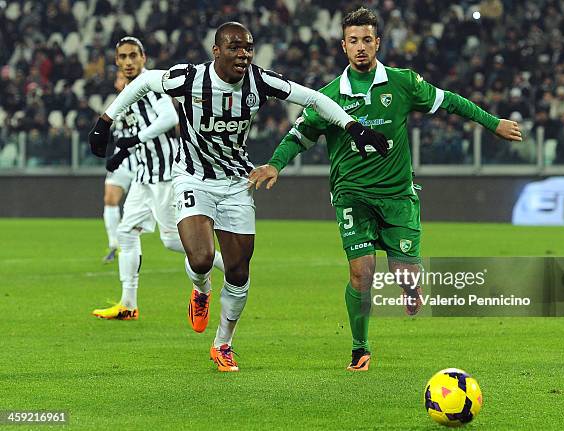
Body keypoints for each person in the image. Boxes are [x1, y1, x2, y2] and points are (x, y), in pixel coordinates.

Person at [88, 22, 388, 372]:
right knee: (201, 258)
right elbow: (142, 82)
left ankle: (223, 344)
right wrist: (105, 121)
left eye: (248, 47)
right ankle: (201, 289)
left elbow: (315, 98)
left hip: (236, 183)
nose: (243, 54)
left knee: (239, 271)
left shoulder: (260, 80)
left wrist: (354, 127)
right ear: (217, 51)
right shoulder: (188, 78)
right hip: (193, 178)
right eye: (234, 47)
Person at [249, 8, 522, 371]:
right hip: (352, 195)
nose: (360, 47)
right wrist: (275, 164)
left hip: (397, 197)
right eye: (353, 41)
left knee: (405, 276)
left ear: (377, 42)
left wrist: (492, 123)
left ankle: (411, 288)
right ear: (342, 45)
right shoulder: (329, 96)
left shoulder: (403, 82)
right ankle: (359, 347)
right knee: (362, 273)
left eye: (366, 40)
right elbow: (301, 134)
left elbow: (449, 101)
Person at [92, 37, 224, 320]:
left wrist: (133, 140)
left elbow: (168, 117)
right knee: (126, 233)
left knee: (171, 240)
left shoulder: (152, 86)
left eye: (133, 56)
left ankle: (230, 265)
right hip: (143, 176)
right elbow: (130, 136)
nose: (128, 62)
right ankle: (128, 303)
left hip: (165, 175)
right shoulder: (127, 93)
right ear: (117, 61)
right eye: (123, 57)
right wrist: (123, 153)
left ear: (143, 57)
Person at [102, 71, 135, 263]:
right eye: (117, 78)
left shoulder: (142, 98)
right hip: (121, 158)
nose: (118, 81)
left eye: (121, 78)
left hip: (143, 159)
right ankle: (114, 243)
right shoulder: (116, 103)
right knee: (110, 199)